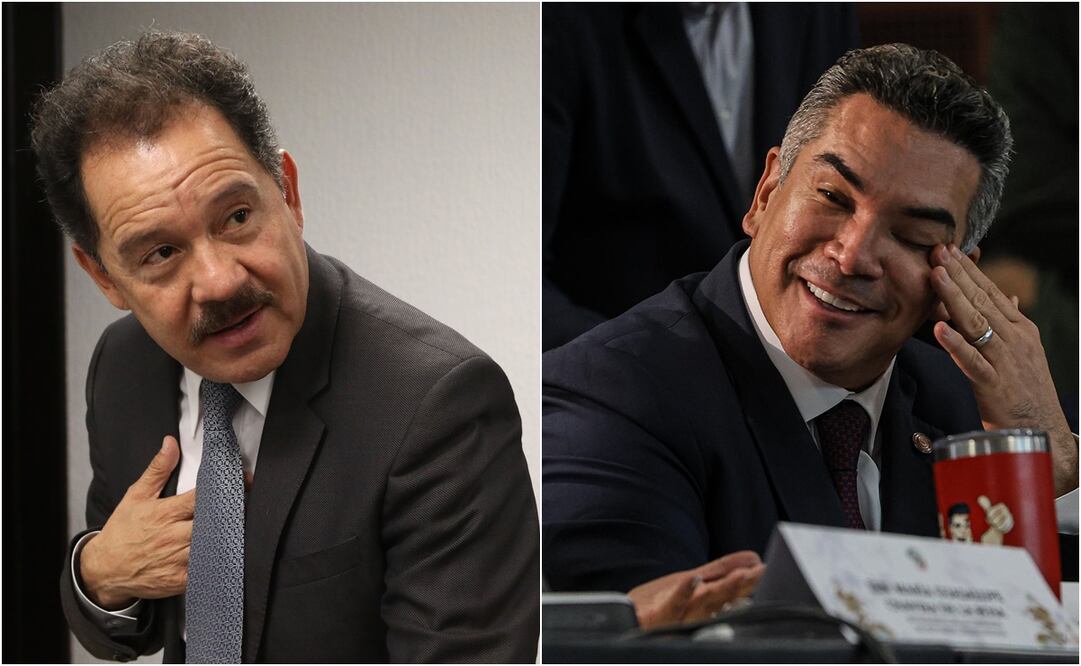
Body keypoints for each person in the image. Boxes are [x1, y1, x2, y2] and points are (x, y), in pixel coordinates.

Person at [34, 32, 539, 662]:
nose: (221, 281)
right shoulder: (124, 365)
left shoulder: (439, 407)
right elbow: (125, 628)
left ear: (289, 193)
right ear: (104, 276)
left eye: (237, 216)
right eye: (161, 253)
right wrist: (101, 573)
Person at [542, 43, 1079, 629]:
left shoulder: (974, 417)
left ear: (954, 276)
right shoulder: (612, 398)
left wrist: (1046, 463)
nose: (853, 255)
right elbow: (624, 646)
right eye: (832, 197)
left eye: (911, 235)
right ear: (766, 192)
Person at [542, 3, 858, 350]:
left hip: (794, 363)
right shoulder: (556, 21)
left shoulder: (823, 10)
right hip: (624, 370)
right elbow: (522, 281)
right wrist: (628, 363)